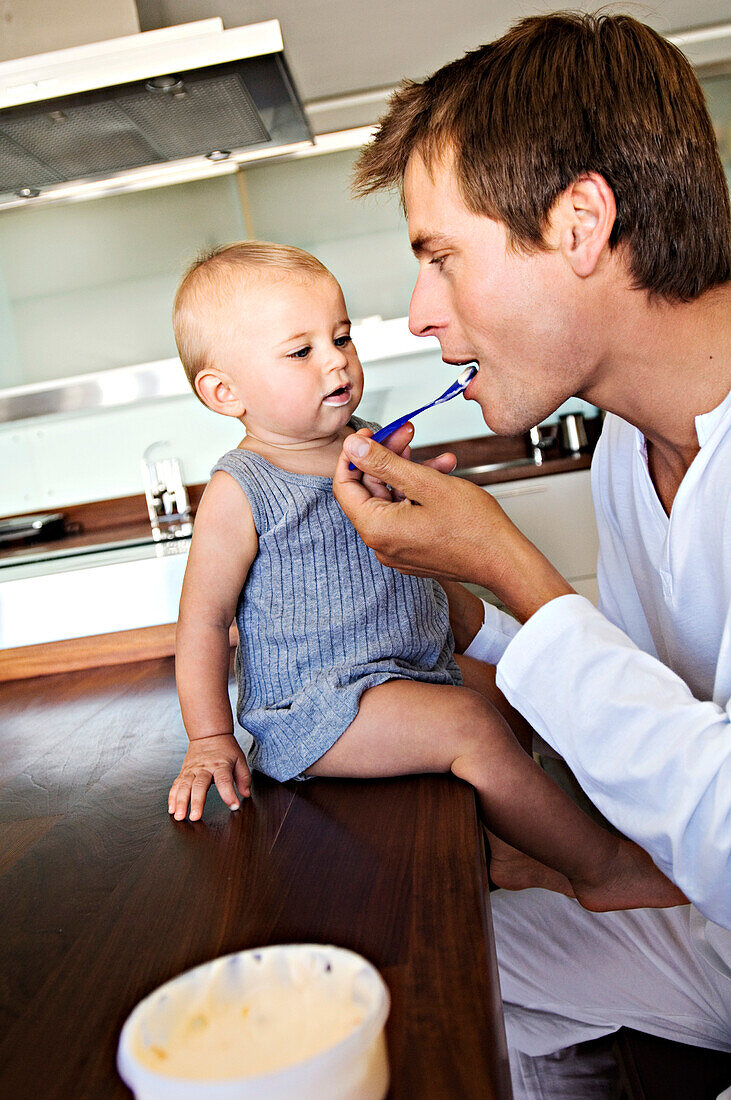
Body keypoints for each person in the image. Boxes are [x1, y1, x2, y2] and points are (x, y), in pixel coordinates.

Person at [332, 10, 731, 1096]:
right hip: (699, 918)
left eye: (441, 257)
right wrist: (465, 598)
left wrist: (511, 563)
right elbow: (656, 698)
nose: (419, 314)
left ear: (578, 224)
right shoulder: (626, 445)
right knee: (415, 963)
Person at [166, 239, 683, 918]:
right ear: (222, 392)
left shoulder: (372, 442)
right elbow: (202, 621)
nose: (336, 361)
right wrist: (209, 737)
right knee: (470, 725)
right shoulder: (243, 490)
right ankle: (602, 869)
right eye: (301, 352)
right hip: (320, 705)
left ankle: (510, 849)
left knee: (511, 694)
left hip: (410, 668)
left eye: (341, 337)